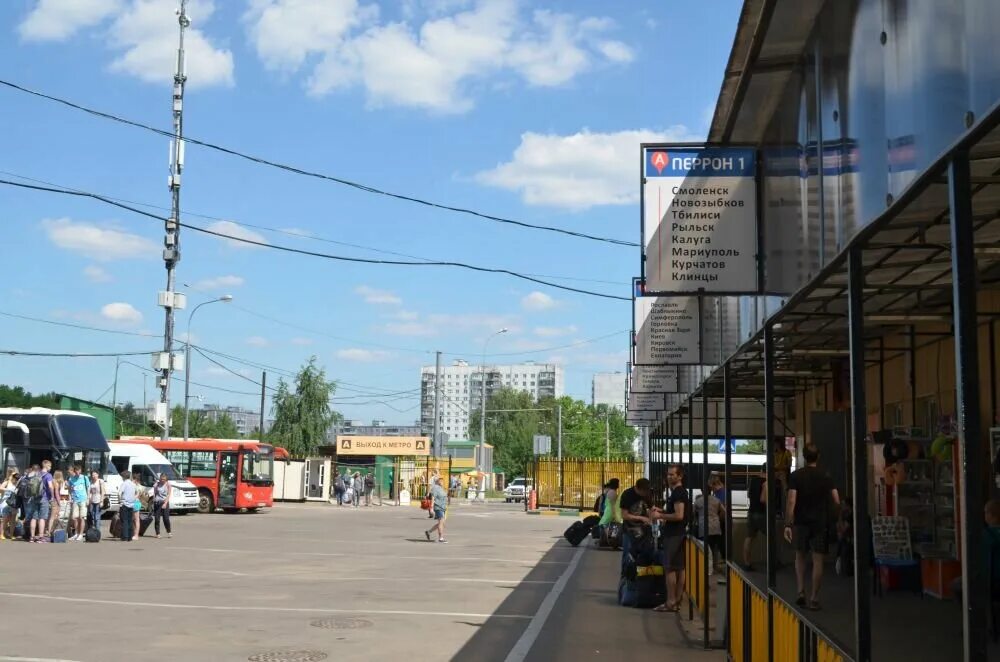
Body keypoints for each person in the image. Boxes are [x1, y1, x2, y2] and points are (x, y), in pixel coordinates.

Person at [783, 444, 839, 610]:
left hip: (801, 523)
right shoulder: (826, 476)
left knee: (800, 557)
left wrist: (788, 523)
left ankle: (800, 591)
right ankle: (814, 597)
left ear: (803, 456)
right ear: (818, 456)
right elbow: (836, 500)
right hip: (820, 523)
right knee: (818, 559)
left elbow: (791, 500)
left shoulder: (796, 476)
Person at [653, 465, 689, 612]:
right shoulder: (677, 492)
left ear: (680, 476)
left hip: (673, 535)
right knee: (679, 568)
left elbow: (679, 515)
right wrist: (662, 511)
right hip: (678, 533)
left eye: (672, 475)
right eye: (668, 475)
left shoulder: (678, 493)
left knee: (670, 569)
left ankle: (671, 601)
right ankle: (677, 600)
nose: (669, 477)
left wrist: (659, 515)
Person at [950, 499, 1000, 602]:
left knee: (956, 584)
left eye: (985, 513)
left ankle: (974, 613)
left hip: (989, 580)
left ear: (990, 515)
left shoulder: (984, 535)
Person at [619, 478, 654, 572]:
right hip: (629, 531)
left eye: (647, 491)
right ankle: (625, 578)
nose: (645, 494)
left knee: (644, 556)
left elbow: (651, 508)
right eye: (644, 492)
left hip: (644, 532)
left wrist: (651, 518)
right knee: (628, 555)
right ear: (638, 489)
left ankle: (639, 579)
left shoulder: (647, 494)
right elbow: (624, 515)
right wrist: (641, 518)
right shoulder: (627, 495)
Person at [694, 482, 727, 581]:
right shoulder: (716, 500)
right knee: (714, 548)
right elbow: (724, 512)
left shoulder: (698, 501)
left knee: (705, 549)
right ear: (711, 490)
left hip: (704, 528)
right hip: (715, 527)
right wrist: (717, 517)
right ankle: (715, 567)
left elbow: (693, 513)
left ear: (702, 491)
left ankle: (707, 568)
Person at [743, 465, 767, 571]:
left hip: (751, 511)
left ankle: (747, 563)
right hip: (761, 513)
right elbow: (763, 499)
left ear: (761, 470)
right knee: (771, 537)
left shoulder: (753, 480)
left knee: (749, 537)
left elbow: (748, 495)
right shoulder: (767, 482)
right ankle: (773, 563)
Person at [29, 460, 54, 543]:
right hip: (44, 498)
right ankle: (41, 537)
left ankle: (32, 537)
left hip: (35, 498)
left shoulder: (37, 474)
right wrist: (52, 496)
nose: (50, 468)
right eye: (50, 466)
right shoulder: (48, 475)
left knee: (34, 518)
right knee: (42, 518)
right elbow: (50, 486)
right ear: (46, 466)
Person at [66, 465, 89, 541]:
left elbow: (88, 488)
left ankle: (81, 534)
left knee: (82, 518)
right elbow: (70, 490)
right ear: (74, 471)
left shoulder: (84, 478)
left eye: (79, 471)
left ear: (80, 470)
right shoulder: (71, 479)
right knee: (74, 518)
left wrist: (88, 498)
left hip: (83, 500)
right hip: (75, 500)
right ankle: (76, 533)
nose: (77, 472)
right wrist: (70, 498)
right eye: (76, 471)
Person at [424, 475, 449, 543]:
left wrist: (446, 508)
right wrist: (431, 508)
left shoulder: (442, 488)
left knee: (441, 523)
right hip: (438, 507)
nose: (442, 481)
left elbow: (444, 498)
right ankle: (441, 538)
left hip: (443, 507)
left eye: (442, 480)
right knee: (441, 522)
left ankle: (429, 532)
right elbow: (433, 498)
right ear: (437, 481)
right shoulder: (435, 488)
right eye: (440, 480)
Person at [773, 439, 792, 518]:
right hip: (775, 472)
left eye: (776, 444)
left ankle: (785, 507)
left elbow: (789, 464)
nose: (775, 446)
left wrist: (781, 467)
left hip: (783, 472)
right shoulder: (775, 453)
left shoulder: (787, 453)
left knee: (784, 490)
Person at [151, 473, 172, 539]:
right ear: (160, 478)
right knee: (157, 519)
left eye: (164, 479)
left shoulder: (168, 484)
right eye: (161, 479)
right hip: (157, 503)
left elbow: (168, 495)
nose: (162, 480)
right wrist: (154, 500)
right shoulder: (157, 484)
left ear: (166, 479)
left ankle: (169, 532)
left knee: (166, 518)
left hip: (164, 502)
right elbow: (154, 493)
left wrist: (165, 503)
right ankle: (158, 533)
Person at [118, 470, 137, 542]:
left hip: (124, 504)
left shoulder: (124, 483)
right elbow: (137, 492)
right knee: (130, 521)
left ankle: (125, 537)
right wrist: (133, 499)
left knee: (124, 521)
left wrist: (120, 501)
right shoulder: (133, 484)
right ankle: (130, 536)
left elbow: (119, 493)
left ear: (124, 477)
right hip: (131, 504)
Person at [0, 469, 18, 540]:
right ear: (10, 475)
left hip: (14, 503)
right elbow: (0, 488)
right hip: (5, 503)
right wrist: (7, 490)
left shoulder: (17, 483)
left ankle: (11, 534)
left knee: (13, 520)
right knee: (5, 519)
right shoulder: (7, 482)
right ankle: (1, 534)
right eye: (13, 475)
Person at [87, 469, 105, 534]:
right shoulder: (91, 482)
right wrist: (88, 500)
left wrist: (101, 501)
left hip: (98, 501)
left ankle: (98, 532)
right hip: (92, 501)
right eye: (92, 475)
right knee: (92, 516)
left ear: (98, 475)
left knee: (97, 516)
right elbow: (89, 492)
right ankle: (93, 531)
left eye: (95, 474)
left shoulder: (100, 481)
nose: (93, 476)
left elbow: (103, 492)